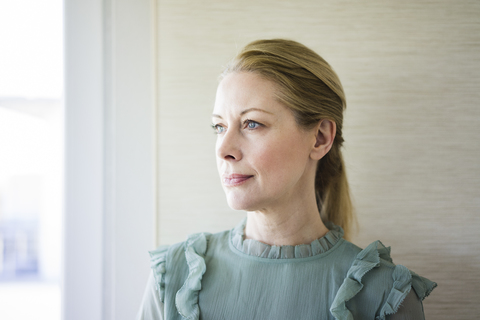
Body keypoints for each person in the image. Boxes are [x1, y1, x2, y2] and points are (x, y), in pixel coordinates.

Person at [136, 39, 436, 320]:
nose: (224, 149)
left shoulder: (384, 294)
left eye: (251, 123)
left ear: (319, 138)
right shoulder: (174, 277)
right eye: (219, 126)